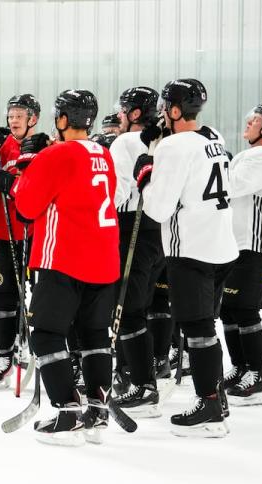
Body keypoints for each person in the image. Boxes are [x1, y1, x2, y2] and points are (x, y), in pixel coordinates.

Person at [0, 89, 119, 446]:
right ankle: (97, 414)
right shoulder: (103, 153)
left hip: (64, 257)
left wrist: (16, 182)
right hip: (104, 259)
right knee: (94, 336)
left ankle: (68, 413)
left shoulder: (55, 155)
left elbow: (26, 207)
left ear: (63, 119)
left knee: (48, 334)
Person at [140, 78, 238, 437]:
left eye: (166, 107)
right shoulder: (213, 137)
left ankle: (209, 406)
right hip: (222, 247)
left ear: (177, 109)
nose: (163, 113)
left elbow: (158, 210)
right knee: (205, 329)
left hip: (191, 250)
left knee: (197, 330)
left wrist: (145, 175)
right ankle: (218, 397)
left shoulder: (174, 147)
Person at [220, 103, 262, 406]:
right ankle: (240, 367)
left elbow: (230, 186)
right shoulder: (253, 156)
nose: (248, 122)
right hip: (240, 244)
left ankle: (257, 374)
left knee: (244, 307)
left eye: (255, 120)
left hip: (255, 244)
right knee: (228, 308)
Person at [107, 86, 167, 416]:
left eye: (123, 109)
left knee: (128, 308)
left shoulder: (126, 142)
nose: (118, 114)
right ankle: (137, 372)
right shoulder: (165, 140)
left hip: (132, 227)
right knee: (142, 306)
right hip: (161, 231)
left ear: (134, 113)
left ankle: (143, 385)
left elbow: (115, 193)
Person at [0, 94, 41, 389]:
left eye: (20, 114)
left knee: (37, 298)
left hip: (34, 234)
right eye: (11, 114)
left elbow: (41, 189)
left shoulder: (41, 147)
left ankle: (32, 347)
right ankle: (4, 356)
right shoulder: (1, 148)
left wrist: (13, 185)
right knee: (2, 298)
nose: (13, 119)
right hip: (4, 236)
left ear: (33, 119)